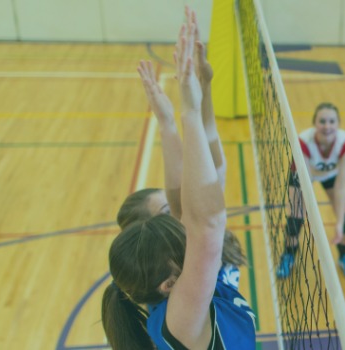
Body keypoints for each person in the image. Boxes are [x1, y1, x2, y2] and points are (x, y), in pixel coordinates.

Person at [101, 9, 254, 350]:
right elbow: (208, 222)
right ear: (169, 283)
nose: (182, 215)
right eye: (171, 215)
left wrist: (180, 114)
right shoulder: (181, 318)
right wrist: (188, 110)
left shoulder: (174, 287)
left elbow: (206, 179)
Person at [276, 102, 345, 280]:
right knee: (294, 221)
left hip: (330, 175)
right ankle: (288, 255)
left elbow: (341, 186)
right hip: (303, 175)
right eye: (322, 121)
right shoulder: (303, 142)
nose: (327, 126)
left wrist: (339, 222)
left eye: (331, 121)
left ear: (338, 123)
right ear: (315, 123)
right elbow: (305, 185)